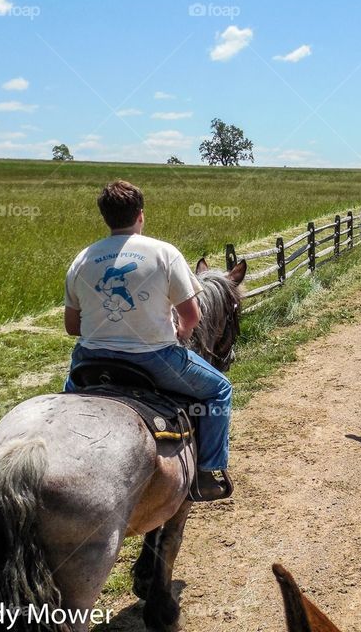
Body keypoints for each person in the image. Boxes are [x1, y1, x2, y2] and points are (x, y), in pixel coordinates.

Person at [62, 180, 234, 502]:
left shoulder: (81, 260)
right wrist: (182, 332)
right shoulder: (164, 253)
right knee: (220, 389)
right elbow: (191, 315)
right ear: (140, 215)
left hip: (89, 360)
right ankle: (207, 472)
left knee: (62, 406)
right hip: (153, 359)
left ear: (105, 218)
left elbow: (72, 327)